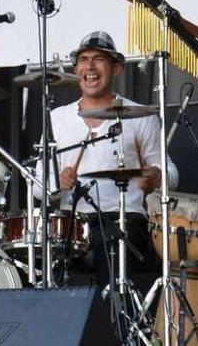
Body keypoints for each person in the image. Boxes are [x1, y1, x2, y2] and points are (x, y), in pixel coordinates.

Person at [38, 31, 179, 289]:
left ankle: (114, 323)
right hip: (73, 225)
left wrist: (156, 177)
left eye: (99, 59)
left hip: (124, 221)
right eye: (83, 59)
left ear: (116, 68)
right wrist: (57, 182)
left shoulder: (141, 117)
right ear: (76, 68)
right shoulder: (56, 118)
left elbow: (171, 172)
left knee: (110, 250)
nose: (89, 66)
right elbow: (38, 186)